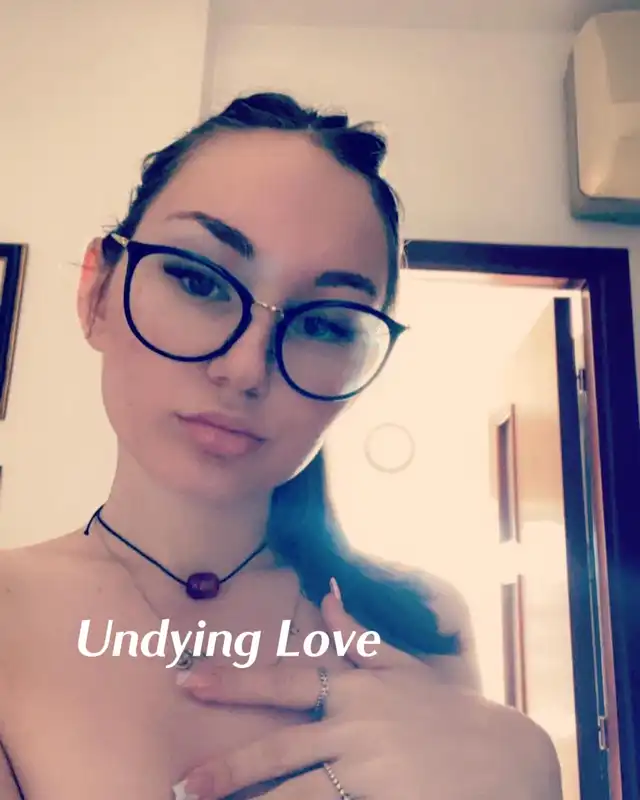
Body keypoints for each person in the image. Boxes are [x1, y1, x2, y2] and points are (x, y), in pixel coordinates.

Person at [0, 92, 562, 800]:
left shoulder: (418, 620)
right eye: (198, 280)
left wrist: (529, 777)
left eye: (325, 324)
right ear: (97, 293)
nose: (245, 369)